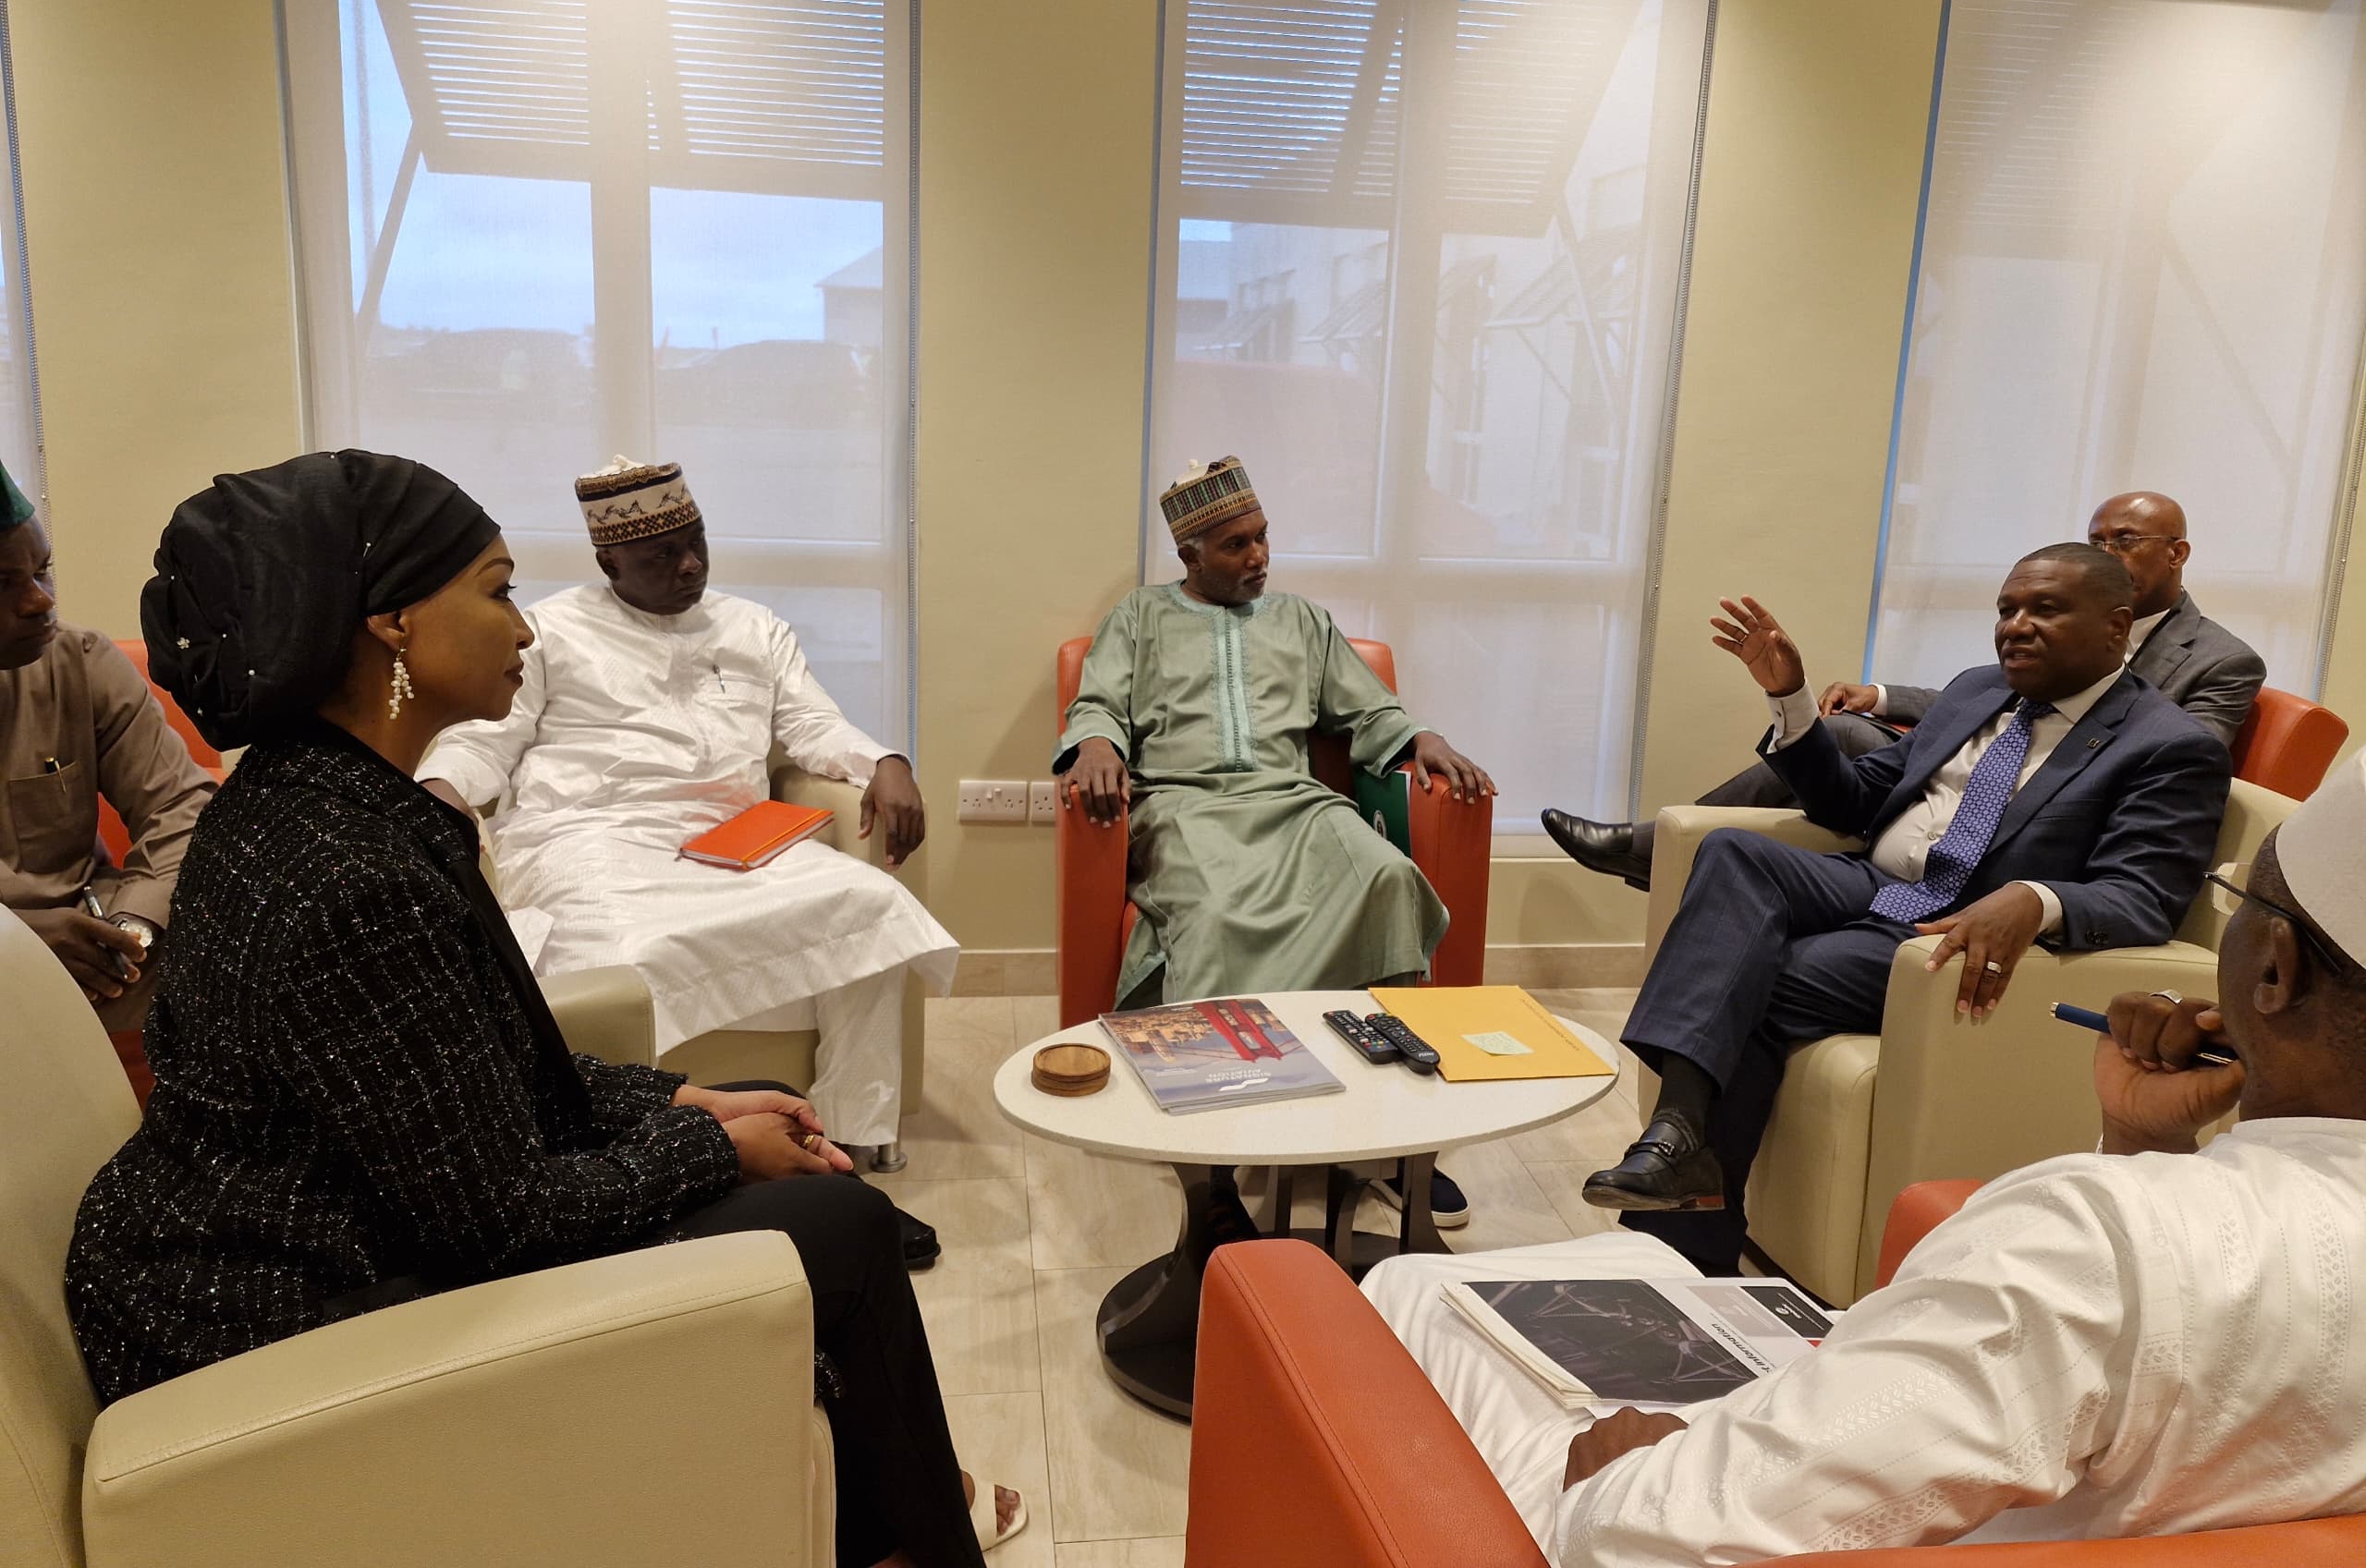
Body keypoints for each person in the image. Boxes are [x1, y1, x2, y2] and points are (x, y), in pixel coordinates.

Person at [66, 451, 1022, 1566]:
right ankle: (914, 1532)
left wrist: (687, 1100)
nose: (522, 628)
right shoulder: (352, 874)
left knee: (790, 1141)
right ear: (393, 625)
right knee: (839, 1227)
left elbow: (472, 1078)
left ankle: (875, 1515)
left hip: (341, 1221)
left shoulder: (317, 800)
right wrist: (712, 1152)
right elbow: (498, 1222)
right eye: (496, 590)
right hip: (279, 1303)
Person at [1363, 748, 2366, 1564]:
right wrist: (2146, 1145)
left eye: (2237, 899)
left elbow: (1660, 1541)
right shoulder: (2154, 1237)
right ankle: (1687, 1165)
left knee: (1412, 1290)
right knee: (1632, 1260)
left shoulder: (2091, 1245)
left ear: (2272, 971)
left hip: (1707, 1522)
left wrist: (1624, 1474)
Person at [1581, 543, 2228, 1273]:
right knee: (1732, 850)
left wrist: (2035, 897)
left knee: (1762, 976)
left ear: (2115, 625)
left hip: (1949, 929)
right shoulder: (1977, 691)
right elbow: (1854, 800)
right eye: (2008, 609)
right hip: (1875, 883)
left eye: (2045, 609)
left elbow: (2143, 896)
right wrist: (1790, 699)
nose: (2016, 626)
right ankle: (1676, 1141)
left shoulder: (2168, 745)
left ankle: (1681, 1227)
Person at [417, 457, 957, 1173]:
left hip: (735, 842)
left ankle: (854, 1131)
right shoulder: (549, 630)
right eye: (662, 555)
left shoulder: (754, 627)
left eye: (696, 542)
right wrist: (439, 793)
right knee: (613, 952)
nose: (691, 565)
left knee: (869, 904)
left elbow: (812, 724)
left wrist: (884, 761)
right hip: (587, 836)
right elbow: (485, 740)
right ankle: (633, 1155)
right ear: (609, 562)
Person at [1056, 456, 1494, 1229]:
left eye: (1262, 537)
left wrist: (1421, 737)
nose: (1258, 556)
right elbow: (1098, 703)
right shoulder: (1141, 616)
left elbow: (1369, 713)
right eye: (1236, 545)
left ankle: (1388, 1141)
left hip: (1295, 804)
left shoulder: (1301, 620)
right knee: (1215, 917)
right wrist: (1094, 744)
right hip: (1185, 807)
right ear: (1190, 555)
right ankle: (1212, 1167)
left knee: (1387, 878)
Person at [1543, 491, 2264, 887]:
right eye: (2097, 539)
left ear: (2177, 553)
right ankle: (1672, 845)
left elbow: (2177, 745)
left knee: (1842, 739)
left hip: (2054, 813)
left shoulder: (2222, 660)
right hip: (1978, 784)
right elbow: (1991, 698)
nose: (2104, 552)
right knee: (1839, 743)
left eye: (2124, 541)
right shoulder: (2037, 629)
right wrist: (1884, 695)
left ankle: (1653, 845)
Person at [0, 457, 214, 1035]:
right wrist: (19, 945)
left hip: (98, 951)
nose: (40, 601)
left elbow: (181, 808)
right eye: (3, 584)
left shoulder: (82, 663)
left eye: (42, 571)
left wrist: (130, 929)